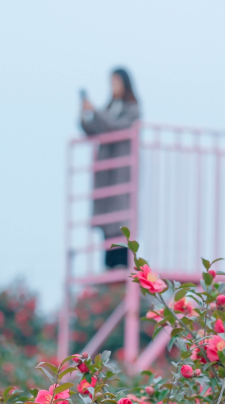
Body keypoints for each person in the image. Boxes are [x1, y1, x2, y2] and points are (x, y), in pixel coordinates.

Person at [80, 68, 141, 269]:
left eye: (116, 82)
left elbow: (115, 126)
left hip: (122, 176)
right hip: (106, 177)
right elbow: (93, 129)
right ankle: (110, 277)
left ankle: (123, 271)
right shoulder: (109, 108)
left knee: (121, 225)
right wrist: (85, 112)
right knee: (107, 227)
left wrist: (96, 112)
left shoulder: (133, 109)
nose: (113, 87)